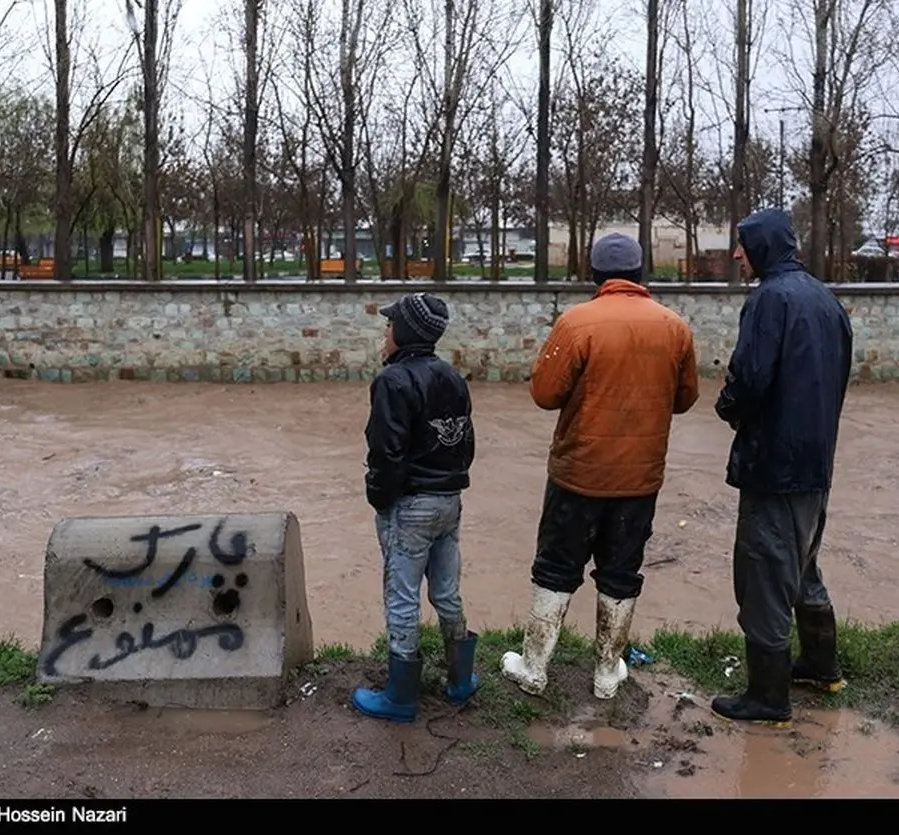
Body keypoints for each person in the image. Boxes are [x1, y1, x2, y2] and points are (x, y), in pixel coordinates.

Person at [500, 233, 700, 700]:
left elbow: (545, 394)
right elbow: (686, 399)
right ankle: (608, 671)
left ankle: (534, 666)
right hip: (640, 479)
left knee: (555, 565)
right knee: (622, 570)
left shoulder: (576, 324)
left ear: (595, 276)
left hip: (578, 474)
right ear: (640, 274)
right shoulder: (675, 328)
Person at [711, 207, 854, 727]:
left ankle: (768, 697)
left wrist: (728, 409)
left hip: (774, 464)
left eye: (743, 244)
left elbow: (749, 376)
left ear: (764, 246)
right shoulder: (827, 300)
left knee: (765, 572)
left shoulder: (768, 300)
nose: (736, 254)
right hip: (817, 462)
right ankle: (820, 664)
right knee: (803, 561)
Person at [352, 292, 478, 724]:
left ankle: (401, 697)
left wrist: (379, 498)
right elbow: (465, 443)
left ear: (403, 333)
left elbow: (386, 452)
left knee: (401, 596)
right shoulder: (453, 378)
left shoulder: (393, 381)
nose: (384, 332)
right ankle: (461, 680)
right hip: (450, 502)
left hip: (411, 507)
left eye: (389, 326)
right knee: (446, 590)